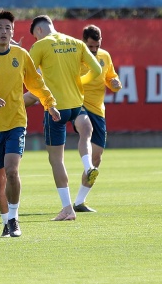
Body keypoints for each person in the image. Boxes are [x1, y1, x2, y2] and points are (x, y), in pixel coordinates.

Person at [0, 11, 59, 237]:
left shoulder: (21, 55)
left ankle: (14, 219)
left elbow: (36, 84)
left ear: (13, 32)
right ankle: (5, 221)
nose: (4, 31)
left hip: (16, 122)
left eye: (8, 28)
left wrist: (50, 104)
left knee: (11, 170)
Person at [29, 15, 101, 221]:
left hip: (56, 109)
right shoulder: (76, 43)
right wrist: (79, 81)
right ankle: (88, 166)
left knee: (56, 160)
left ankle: (67, 209)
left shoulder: (40, 46)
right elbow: (97, 70)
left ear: (39, 31)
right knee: (85, 134)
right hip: (76, 106)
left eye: (35, 36)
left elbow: (27, 74)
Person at [70, 25, 122, 213]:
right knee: (85, 128)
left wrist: (115, 84)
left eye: (96, 46)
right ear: (83, 42)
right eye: (90, 46)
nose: (93, 50)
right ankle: (88, 167)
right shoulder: (75, 56)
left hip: (98, 110)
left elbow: (111, 79)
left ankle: (79, 202)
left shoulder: (105, 56)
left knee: (97, 157)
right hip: (78, 104)